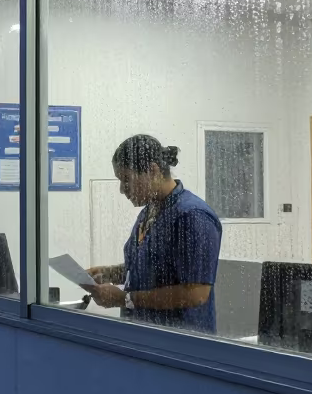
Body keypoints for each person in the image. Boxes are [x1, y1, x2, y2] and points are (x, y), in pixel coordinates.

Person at [86, 135, 222, 334]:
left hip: (181, 343)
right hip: (146, 336)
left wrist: (124, 299)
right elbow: (153, 268)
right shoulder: (150, 211)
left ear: (153, 170)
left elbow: (196, 294)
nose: (122, 189)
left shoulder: (192, 216)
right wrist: (108, 273)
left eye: (126, 179)